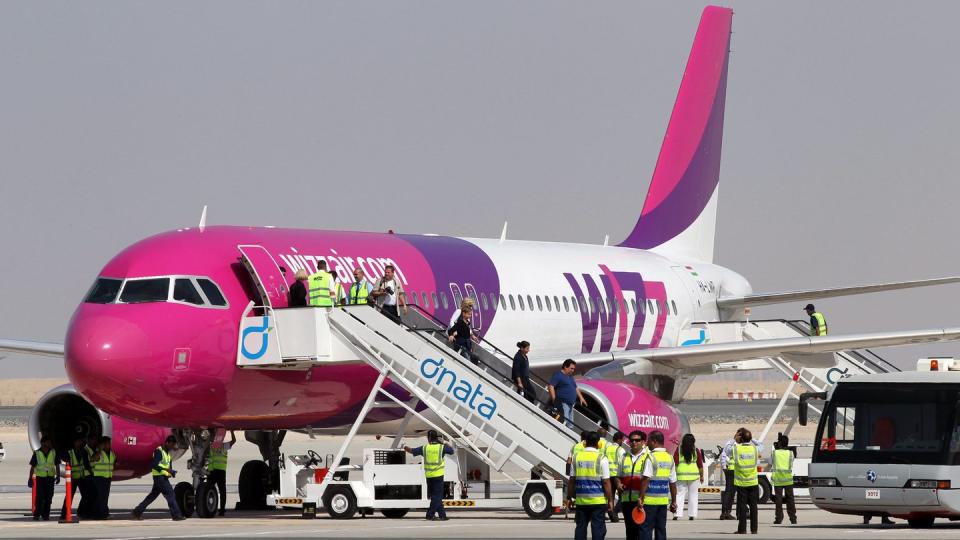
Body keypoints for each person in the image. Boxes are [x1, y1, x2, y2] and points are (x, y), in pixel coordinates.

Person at [566, 431, 612, 540]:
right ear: (598, 443)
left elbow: (572, 480)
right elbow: (606, 482)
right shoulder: (602, 458)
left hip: (581, 501)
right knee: (598, 529)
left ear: (585, 443)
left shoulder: (576, 457)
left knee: (580, 528)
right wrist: (610, 500)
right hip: (598, 501)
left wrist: (569, 497)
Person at [403, 430, 454, 521]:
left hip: (429, 476)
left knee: (435, 496)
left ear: (428, 438)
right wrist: (445, 442)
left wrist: (404, 446)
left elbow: (411, 451)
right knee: (437, 496)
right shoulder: (441, 448)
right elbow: (451, 451)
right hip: (438, 475)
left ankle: (442, 515)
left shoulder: (425, 448)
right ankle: (430, 514)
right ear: (436, 438)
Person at [131, 435, 185, 521]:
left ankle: (137, 511)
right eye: (172, 445)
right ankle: (176, 515)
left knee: (152, 496)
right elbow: (154, 465)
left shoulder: (167, 452)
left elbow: (166, 464)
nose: (173, 447)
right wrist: (166, 469)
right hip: (160, 478)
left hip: (162, 478)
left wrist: (171, 471)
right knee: (171, 495)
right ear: (167, 443)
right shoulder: (159, 451)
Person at [638, 430, 677, 540]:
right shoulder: (669, 458)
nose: (646, 443)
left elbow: (646, 479)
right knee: (661, 529)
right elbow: (673, 482)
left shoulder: (651, 457)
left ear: (654, 442)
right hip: (662, 501)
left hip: (649, 501)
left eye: (649, 441)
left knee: (645, 529)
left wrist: (640, 497)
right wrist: (673, 501)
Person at [620, 430, 648, 540]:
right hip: (627, 500)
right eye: (632, 440)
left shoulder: (647, 457)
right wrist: (618, 484)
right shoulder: (623, 457)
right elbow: (618, 475)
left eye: (637, 440)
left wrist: (642, 498)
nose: (634, 442)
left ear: (643, 442)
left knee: (641, 531)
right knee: (630, 532)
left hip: (641, 501)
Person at [548, 359, 588, 429]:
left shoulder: (570, 377)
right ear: (565, 367)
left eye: (574, 369)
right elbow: (551, 386)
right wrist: (554, 399)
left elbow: (575, 387)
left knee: (570, 425)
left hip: (570, 404)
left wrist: (581, 397)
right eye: (571, 368)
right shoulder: (558, 375)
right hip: (563, 403)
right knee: (563, 423)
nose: (573, 370)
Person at [734, 429, 759, 535]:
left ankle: (742, 529)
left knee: (742, 507)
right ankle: (754, 529)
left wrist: (735, 439)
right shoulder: (754, 449)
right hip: (753, 481)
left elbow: (728, 450)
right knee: (754, 506)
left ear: (741, 438)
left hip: (741, 482)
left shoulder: (737, 448)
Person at [28, 435, 60, 521]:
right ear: (43, 443)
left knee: (49, 497)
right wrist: (30, 478)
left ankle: (46, 515)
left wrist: (58, 475)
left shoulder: (53, 452)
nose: (50, 444)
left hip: (50, 477)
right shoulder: (37, 453)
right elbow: (32, 467)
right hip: (40, 478)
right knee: (40, 497)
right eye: (48, 442)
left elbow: (57, 464)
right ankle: (37, 514)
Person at [61, 435, 93, 520]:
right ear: (74, 443)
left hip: (82, 478)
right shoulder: (70, 453)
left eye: (81, 442)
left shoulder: (84, 452)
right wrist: (71, 477)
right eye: (78, 441)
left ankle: (82, 512)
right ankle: (64, 514)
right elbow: (67, 465)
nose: (79, 443)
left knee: (86, 496)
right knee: (69, 497)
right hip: (73, 478)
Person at [673, 433, 703, 521]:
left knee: (679, 495)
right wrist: (701, 476)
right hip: (694, 476)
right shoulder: (696, 450)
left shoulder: (678, 450)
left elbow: (675, 462)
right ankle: (692, 515)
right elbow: (700, 464)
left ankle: (677, 514)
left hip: (681, 475)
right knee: (693, 495)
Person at [207, 431, 236, 516]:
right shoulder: (222, 446)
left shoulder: (213, 446)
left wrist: (231, 432)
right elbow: (233, 441)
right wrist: (232, 431)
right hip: (217, 471)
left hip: (214, 471)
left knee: (213, 491)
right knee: (221, 491)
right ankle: (220, 509)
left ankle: (215, 507)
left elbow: (233, 441)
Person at [771, 434, 797, 525]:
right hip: (788, 479)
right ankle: (793, 518)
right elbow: (792, 460)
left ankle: (779, 518)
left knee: (778, 500)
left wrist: (777, 446)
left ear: (780, 443)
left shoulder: (775, 453)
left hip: (778, 479)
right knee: (790, 499)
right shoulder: (790, 453)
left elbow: (772, 460)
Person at [719, 428, 743, 520]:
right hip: (731, 471)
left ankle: (729, 512)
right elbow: (724, 455)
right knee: (729, 492)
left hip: (739, 471)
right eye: (739, 434)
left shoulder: (742, 445)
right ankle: (725, 512)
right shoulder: (730, 443)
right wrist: (724, 467)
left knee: (733, 493)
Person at [604, 431, 627, 523]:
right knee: (623, 496)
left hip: (608, 475)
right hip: (617, 476)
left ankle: (611, 512)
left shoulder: (607, 448)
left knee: (610, 496)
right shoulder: (620, 450)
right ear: (620, 439)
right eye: (622, 440)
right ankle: (615, 511)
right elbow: (623, 463)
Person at [91, 436, 116, 519]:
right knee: (101, 497)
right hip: (99, 477)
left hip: (107, 477)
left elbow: (114, 462)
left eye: (109, 443)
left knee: (104, 497)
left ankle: (100, 514)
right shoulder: (99, 453)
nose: (109, 445)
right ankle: (102, 514)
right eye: (107, 443)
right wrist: (99, 450)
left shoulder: (111, 453)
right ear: (103, 444)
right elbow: (93, 458)